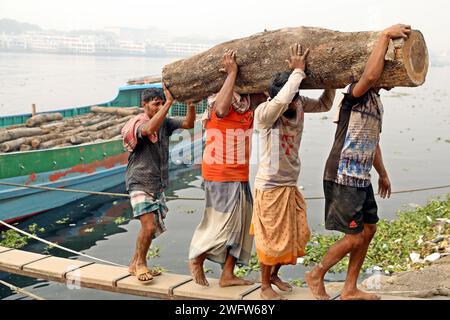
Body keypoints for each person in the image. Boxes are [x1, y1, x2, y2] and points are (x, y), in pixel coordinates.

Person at [306, 24, 412, 300]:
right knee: (354, 236)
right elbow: (371, 74)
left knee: (369, 229)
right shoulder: (356, 92)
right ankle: (316, 273)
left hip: (360, 176)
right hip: (342, 173)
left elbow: (373, 141)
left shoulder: (376, 102)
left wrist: (383, 174)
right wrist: (385, 36)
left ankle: (349, 288)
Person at [251, 43, 336, 300]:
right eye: (291, 98)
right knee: (270, 238)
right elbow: (282, 99)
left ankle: (274, 274)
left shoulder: (297, 104)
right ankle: (264, 284)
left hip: (289, 183)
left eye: (295, 98)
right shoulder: (265, 113)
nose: (293, 103)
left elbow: (324, 104)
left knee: (294, 235)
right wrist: (297, 72)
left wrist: (332, 81)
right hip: (269, 185)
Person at [188, 49, 267, 287]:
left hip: (239, 173)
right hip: (219, 173)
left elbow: (268, 98)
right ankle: (197, 258)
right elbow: (221, 110)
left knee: (242, 226)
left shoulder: (248, 104)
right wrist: (231, 73)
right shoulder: (217, 100)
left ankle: (227, 274)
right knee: (220, 223)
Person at [122, 85, 196, 282]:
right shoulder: (137, 123)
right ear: (144, 105)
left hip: (156, 182)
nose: (160, 107)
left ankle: (133, 263)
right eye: (156, 104)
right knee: (148, 226)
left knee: (151, 227)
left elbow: (189, 124)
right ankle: (141, 265)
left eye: (162, 103)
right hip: (139, 180)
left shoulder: (165, 122)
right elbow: (148, 130)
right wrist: (170, 102)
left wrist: (190, 104)